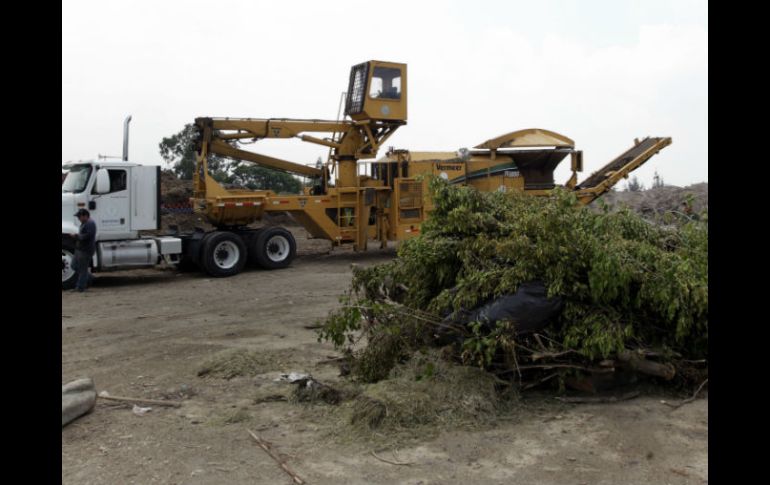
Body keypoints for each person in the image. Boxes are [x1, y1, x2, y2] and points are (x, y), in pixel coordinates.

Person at [71, 209, 96, 292]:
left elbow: (88, 236)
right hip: (80, 249)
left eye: (79, 216)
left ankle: (80, 288)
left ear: (85, 216)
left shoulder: (90, 223)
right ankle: (89, 277)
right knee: (73, 266)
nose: (78, 218)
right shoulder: (84, 223)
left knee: (82, 270)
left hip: (85, 250)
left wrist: (77, 236)